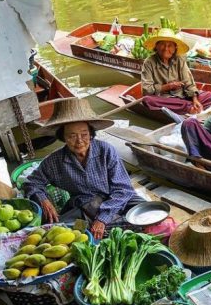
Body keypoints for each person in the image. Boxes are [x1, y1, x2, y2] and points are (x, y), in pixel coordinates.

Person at [24, 98, 143, 240]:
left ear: (91, 134)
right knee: (59, 230)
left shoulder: (106, 150)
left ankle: (113, 225)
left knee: (147, 212)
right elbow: (31, 183)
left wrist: (103, 218)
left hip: (115, 198)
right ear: (63, 137)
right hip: (84, 204)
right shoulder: (55, 161)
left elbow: (123, 189)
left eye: (84, 134)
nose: (79, 141)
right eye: (72, 136)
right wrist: (43, 200)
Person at [141, 28, 211, 114]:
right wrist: (168, 86)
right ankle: (188, 108)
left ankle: (189, 107)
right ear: (156, 46)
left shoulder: (179, 60)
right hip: (165, 99)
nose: (166, 48)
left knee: (209, 95)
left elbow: (188, 83)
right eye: (162, 44)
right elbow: (146, 90)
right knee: (147, 100)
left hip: (183, 96)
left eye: (170, 45)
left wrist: (195, 99)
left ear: (175, 48)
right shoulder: (149, 62)